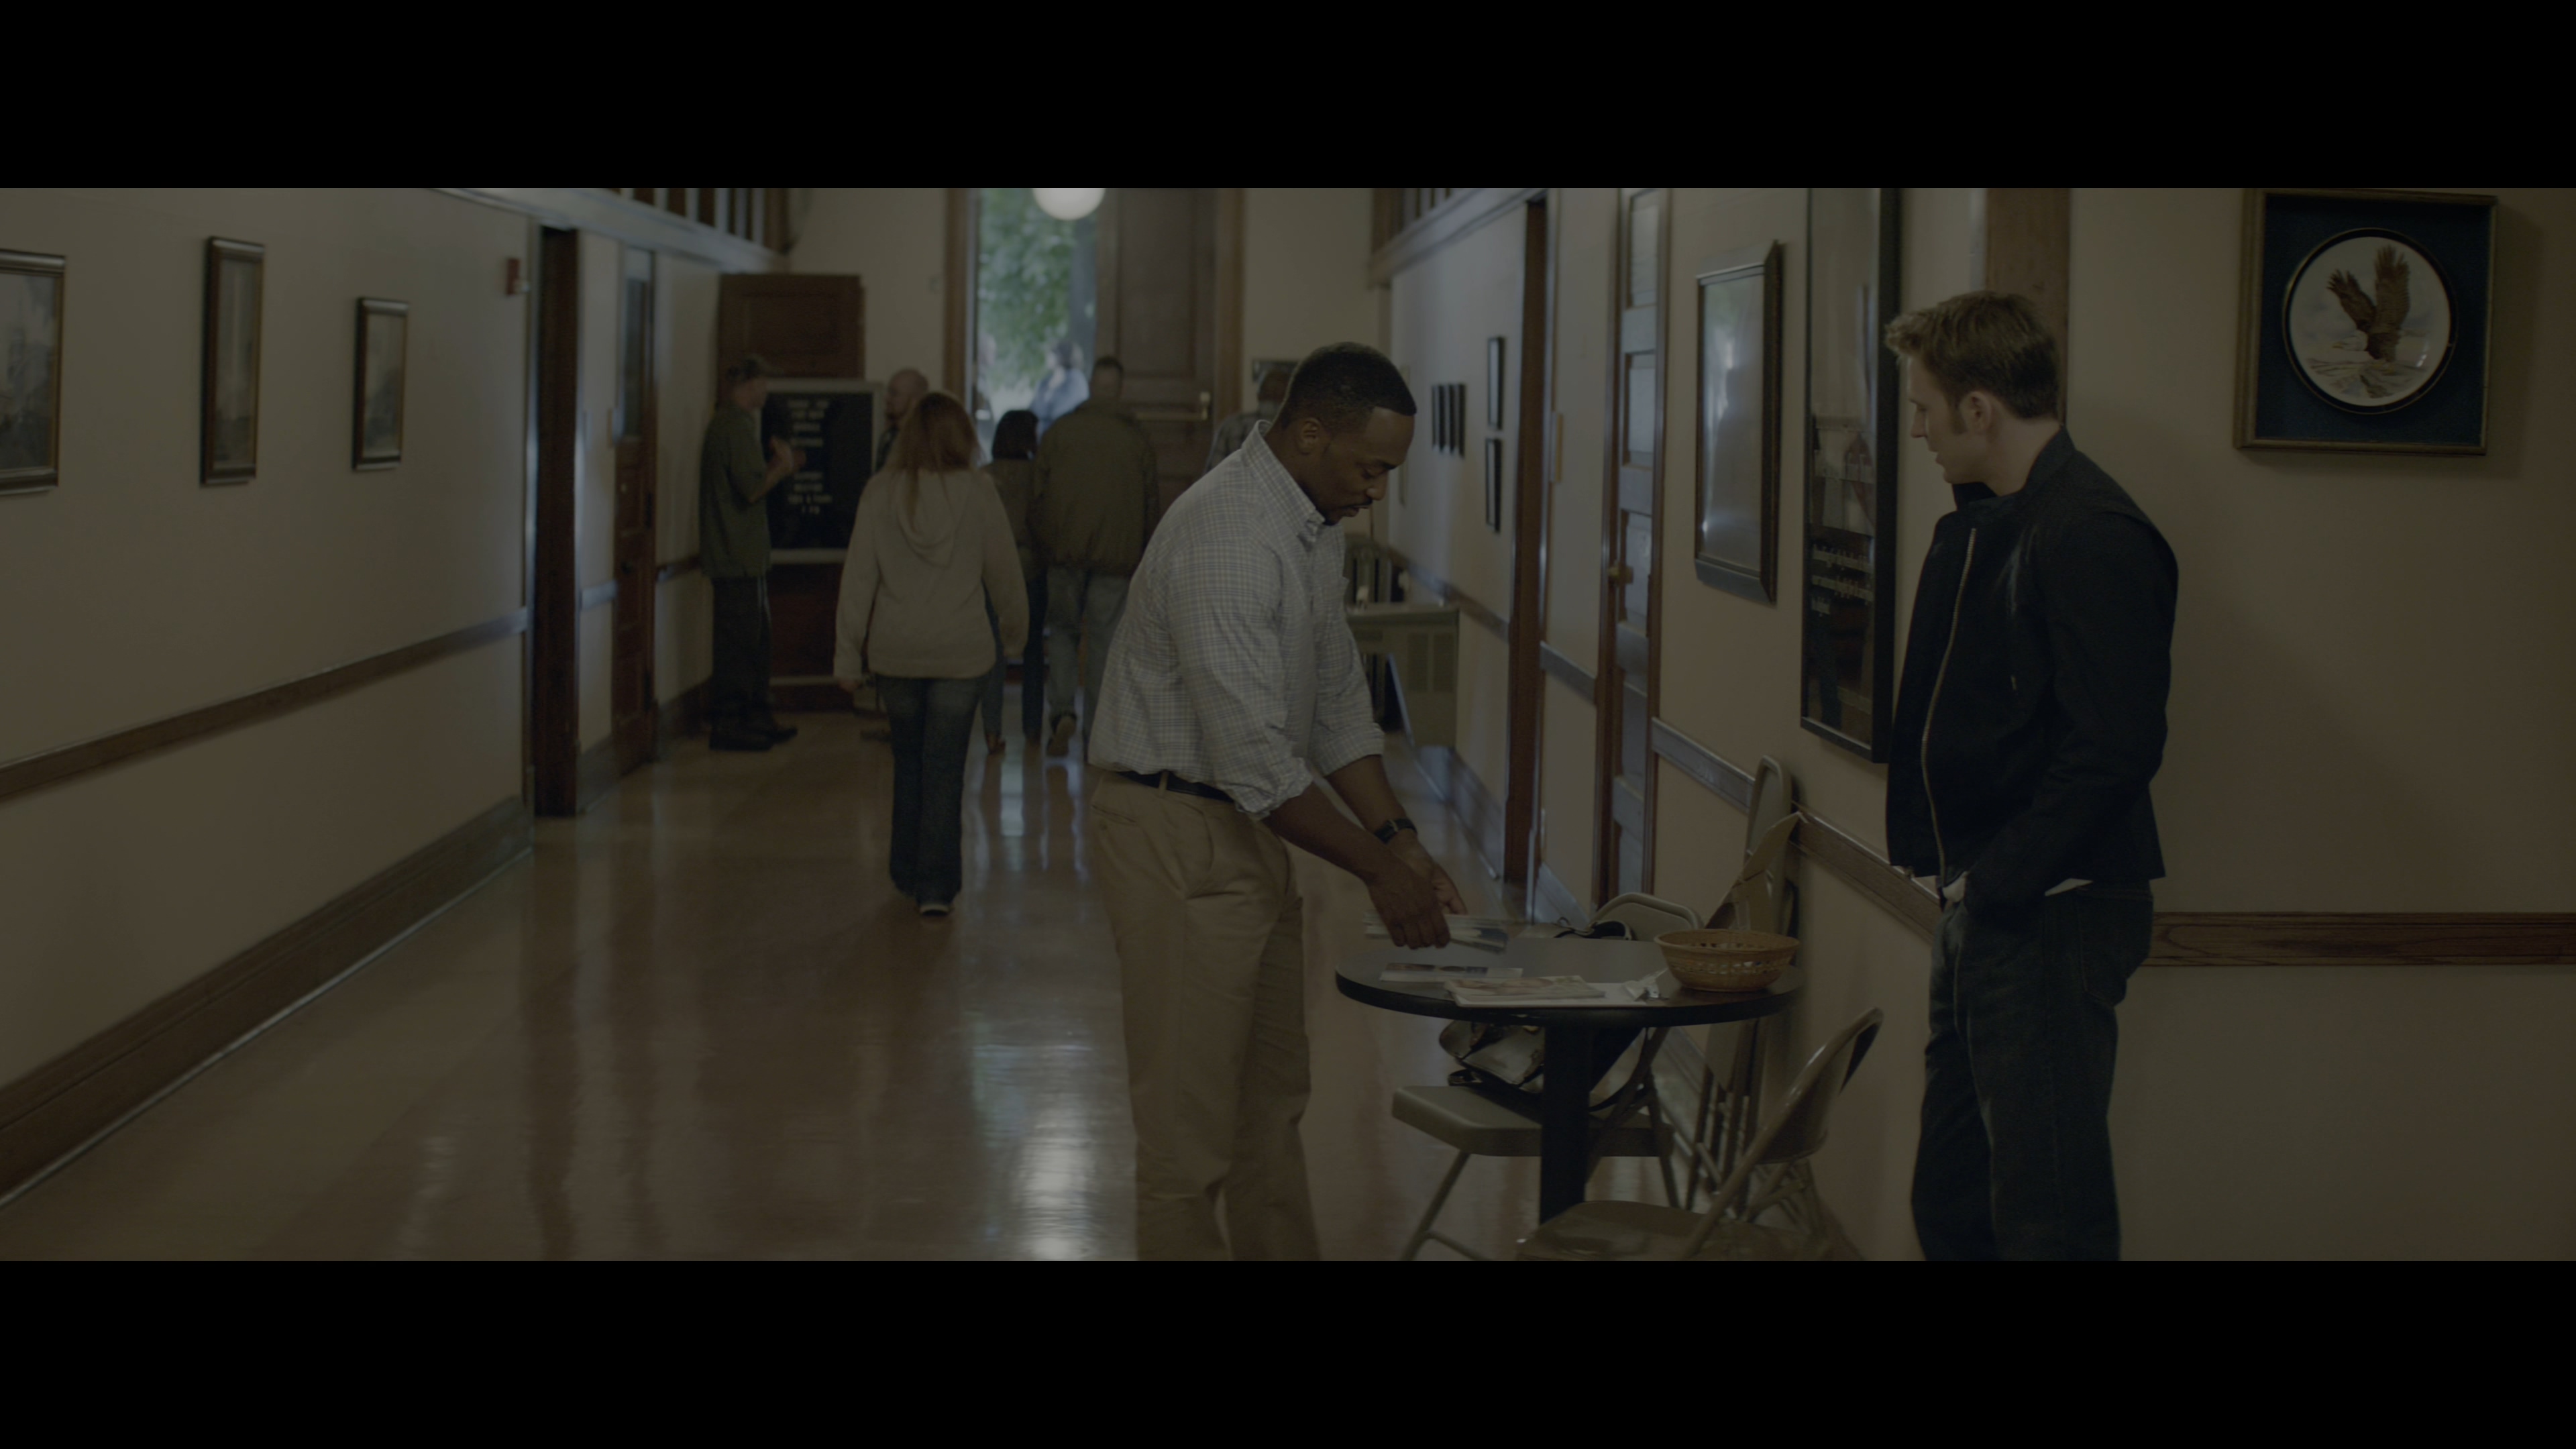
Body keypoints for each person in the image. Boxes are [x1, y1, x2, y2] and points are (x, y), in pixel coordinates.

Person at [1087, 341, 1466, 1260]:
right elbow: (1256, 762)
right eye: (1369, 467)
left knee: (1270, 1105)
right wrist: (1380, 873)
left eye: (1390, 471)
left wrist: (1399, 837)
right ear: (1308, 436)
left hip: (1244, 830)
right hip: (1177, 829)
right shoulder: (1229, 535)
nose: (1377, 489)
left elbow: (1334, 702)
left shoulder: (1309, 526)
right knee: (1188, 1135)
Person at [1882, 291, 2178, 1262]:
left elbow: (2115, 746)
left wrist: (2001, 880)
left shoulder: (2089, 529)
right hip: (1993, 903)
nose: (1918, 430)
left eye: (1925, 407)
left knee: (2049, 1215)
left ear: (1979, 408)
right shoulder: (1999, 522)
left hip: (2051, 910)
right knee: (1955, 1202)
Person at [833, 391, 1028, 918]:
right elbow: (1005, 573)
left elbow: (858, 581)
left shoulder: (880, 492)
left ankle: (905, 870)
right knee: (945, 767)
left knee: (908, 762)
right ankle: (936, 887)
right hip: (961, 652)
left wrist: (847, 658)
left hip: (896, 651)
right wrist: (1015, 636)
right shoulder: (979, 492)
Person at [1030, 356, 1159, 760]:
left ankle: (1061, 712)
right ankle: (1096, 733)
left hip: (1063, 554)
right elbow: (1150, 504)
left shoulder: (1060, 432)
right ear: (1120, 390)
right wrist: (1142, 552)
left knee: (1063, 632)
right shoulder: (1137, 439)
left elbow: (1037, 495)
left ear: (1090, 387)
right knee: (1104, 641)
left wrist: (1046, 544)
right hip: (1116, 558)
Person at [700, 355, 802, 753]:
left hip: (744, 554)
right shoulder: (734, 427)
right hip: (735, 554)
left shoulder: (733, 424)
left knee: (756, 642)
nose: (767, 391)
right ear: (749, 384)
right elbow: (752, 488)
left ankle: (755, 716)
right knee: (739, 646)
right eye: (764, 383)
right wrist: (782, 466)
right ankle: (731, 722)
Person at [981, 409, 1046, 749]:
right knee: (1033, 649)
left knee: (993, 650)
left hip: (989, 571)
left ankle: (992, 729)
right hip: (1029, 568)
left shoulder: (984, 476)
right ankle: (1033, 727)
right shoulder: (1038, 477)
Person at [1204, 362, 1289, 475]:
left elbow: (1212, 473)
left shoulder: (1231, 426)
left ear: (1258, 396)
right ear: (1289, 398)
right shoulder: (1296, 429)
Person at [873, 368, 929, 474]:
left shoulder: (923, 441)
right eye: (888, 392)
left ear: (915, 400)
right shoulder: (888, 437)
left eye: (894, 394)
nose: (887, 398)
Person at [1029, 338, 1089, 435]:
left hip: (1065, 433)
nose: (1047, 357)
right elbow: (1034, 410)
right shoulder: (1047, 381)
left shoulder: (1076, 379)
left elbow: (1060, 411)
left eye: (1052, 353)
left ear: (1061, 355)